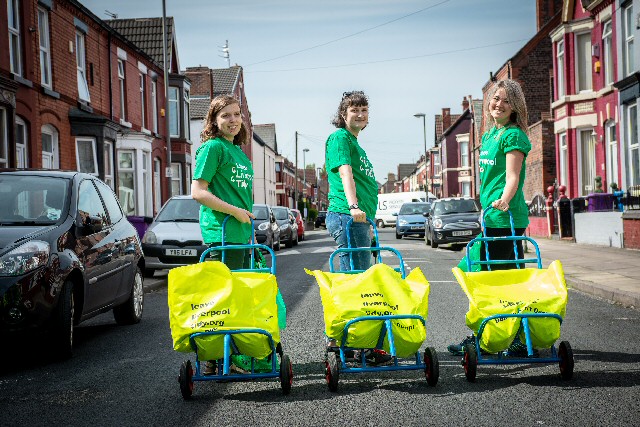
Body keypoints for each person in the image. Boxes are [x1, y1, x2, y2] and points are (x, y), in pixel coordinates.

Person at [448, 79, 532, 356]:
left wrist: (504, 201)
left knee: (497, 279)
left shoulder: (513, 136)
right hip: (490, 218)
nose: (498, 104)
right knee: (484, 275)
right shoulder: (488, 136)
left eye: (506, 101)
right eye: (496, 98)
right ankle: (496, 334)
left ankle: (510, 338)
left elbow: (513, 176)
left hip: (505, 217)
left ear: (515, 107)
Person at [324, 90, 391, 365]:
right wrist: (353, 207)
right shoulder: (340, 138)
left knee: (359, 279)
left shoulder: (355, 143)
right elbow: (345, 173)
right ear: (344, 114)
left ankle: (355, 341)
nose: (360, 114)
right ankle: (351, 343)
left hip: (360, 221)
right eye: (354, 110)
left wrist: (369, 222)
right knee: (356, 281)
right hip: (347, 216)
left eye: (364, 110)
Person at [191, 94, 255, 374]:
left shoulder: (238, 151)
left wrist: (244, 220)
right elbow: (198, 192)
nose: (233, 120)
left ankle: (229, 353)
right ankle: (214, 357)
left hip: (240, 234)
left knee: (236, 295)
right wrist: (234, 211)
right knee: (220, 297)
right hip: (221, 233)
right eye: (225, 115)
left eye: (236, 114)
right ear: (214, 121)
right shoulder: (212, 148)